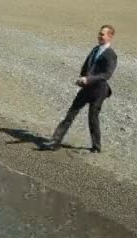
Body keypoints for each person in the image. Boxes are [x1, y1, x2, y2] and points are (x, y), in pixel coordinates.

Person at [44, 25, 118, 153]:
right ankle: (55, 141)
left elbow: (107, 74)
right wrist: (82, 78)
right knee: (71, 113)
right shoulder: (96, 49)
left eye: (102, 34)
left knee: (92, 118)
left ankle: (96, 147)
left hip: (99, 91)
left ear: (110, 36)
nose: (99, 36)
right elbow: (87, 65)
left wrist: (88, 79)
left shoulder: (111, 55)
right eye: (99, 33)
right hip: (86, 88)